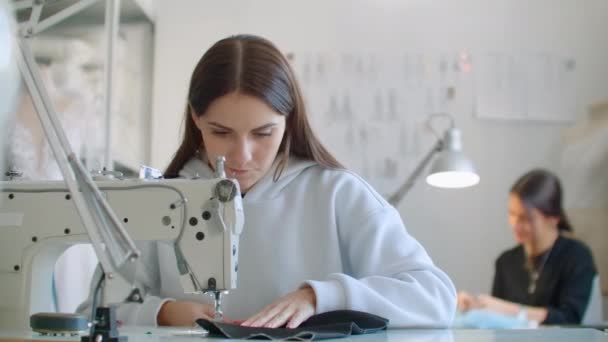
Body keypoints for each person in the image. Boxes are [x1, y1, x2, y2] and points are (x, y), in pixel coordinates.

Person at [80, 34, 456, 329]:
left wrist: (320, 297)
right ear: (196, 118)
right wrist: (164, 312)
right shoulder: (160, 200)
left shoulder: (338, 195)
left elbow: (435, 297)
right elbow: (96, 306)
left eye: (263, 133)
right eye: (221, 132)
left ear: (288, 120)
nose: (242, 156)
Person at [458, 169, 597, 324]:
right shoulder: (506, 262)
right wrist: (478, 305)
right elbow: (498, 325)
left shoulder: (577, 256)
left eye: (526, 218)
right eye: (512, 214)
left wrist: (509, 310)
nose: (515, 225)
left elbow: (569, 318)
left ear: (554, 218)